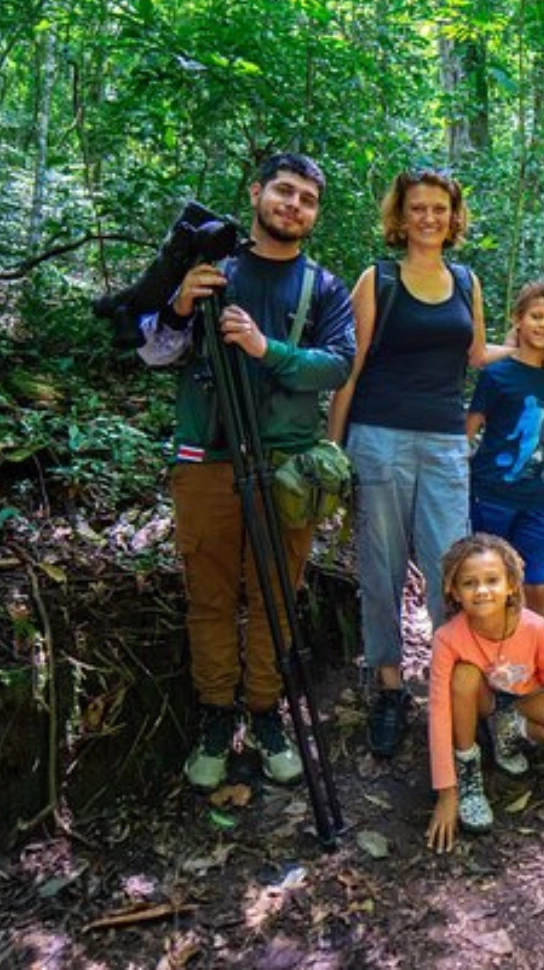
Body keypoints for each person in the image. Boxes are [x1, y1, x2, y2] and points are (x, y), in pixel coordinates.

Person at [137, 153, 356, 790]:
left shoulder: (324, 287)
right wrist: (179, 306)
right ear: (257, 193)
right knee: (209, 596)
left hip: (287, 467)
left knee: (275, 596)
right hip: (206, 458)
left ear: (315, 213)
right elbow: (154, 352)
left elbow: (338, 365)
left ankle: (264, 712)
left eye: (306, 199)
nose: (293, 205)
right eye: (283, 191)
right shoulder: (210, 269)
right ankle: (214, 715)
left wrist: (268, 348)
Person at [328, 169, 505, 760]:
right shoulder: (377, 278)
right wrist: (333, 447)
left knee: (451, 568)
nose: (429, 218)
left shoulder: (465, 280)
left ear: (454, 219)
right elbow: (350, 368)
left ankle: (454, 681)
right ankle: (388, 686)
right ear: (400, 218)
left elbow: (478, 355)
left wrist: (536, 353)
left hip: (445, 441)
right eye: (418, 209)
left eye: (440, 209)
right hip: (378, 436)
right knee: (381, 568)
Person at [426, 534, 544, 853]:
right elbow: (439, 713)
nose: (482, 590)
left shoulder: (535, 627)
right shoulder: (447, 637)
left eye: (492, 580)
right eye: (469, 583)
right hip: (480, 702)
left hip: (526, 699)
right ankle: (470, 772)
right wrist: (447, 792)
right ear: (453, 591)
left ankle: (509, 730)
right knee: (465, 675)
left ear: (511, 584)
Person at [467, 279, 544, 620]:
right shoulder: (497, 375)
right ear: (518, 319)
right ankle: (483, 658)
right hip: (491, 493)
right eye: (537, 316)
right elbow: (470, 428)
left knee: (537, 585)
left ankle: (531, 660)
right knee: (489, 579)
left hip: (535, 498)